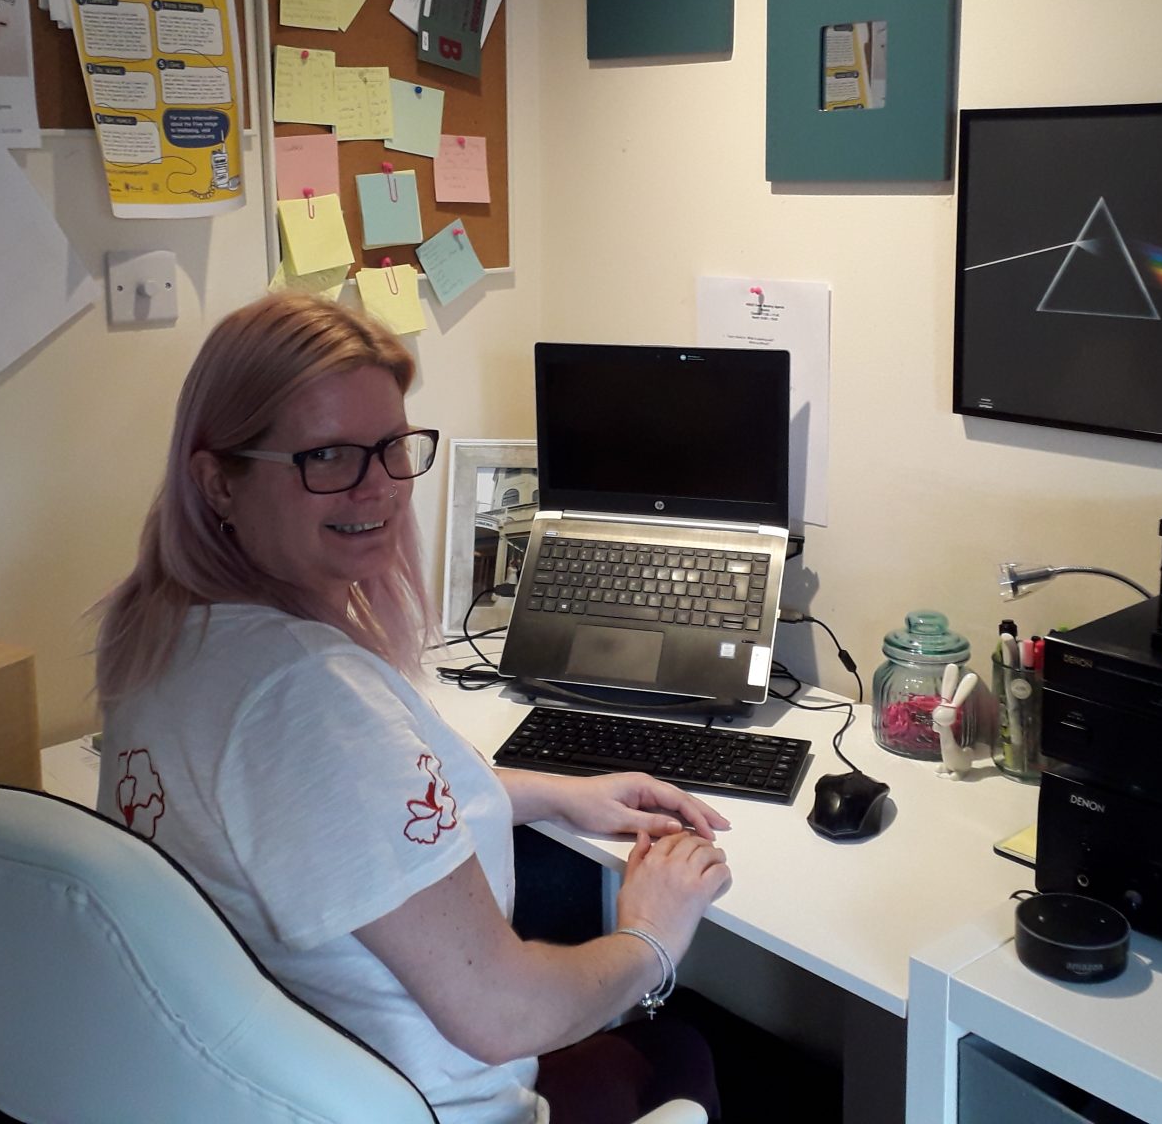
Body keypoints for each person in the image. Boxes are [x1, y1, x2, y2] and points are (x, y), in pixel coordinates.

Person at [94, 293, 732, 1124]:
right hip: (435, 1106)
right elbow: (507, 1016)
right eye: (326, 456)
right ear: (220, 479)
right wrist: (651, 933)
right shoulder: (308, 699)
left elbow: (337, 821)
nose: (378, 489)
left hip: (276, 1093)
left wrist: (551, 791)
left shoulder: (162, 635)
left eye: (391, 448)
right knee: (682, 1047)